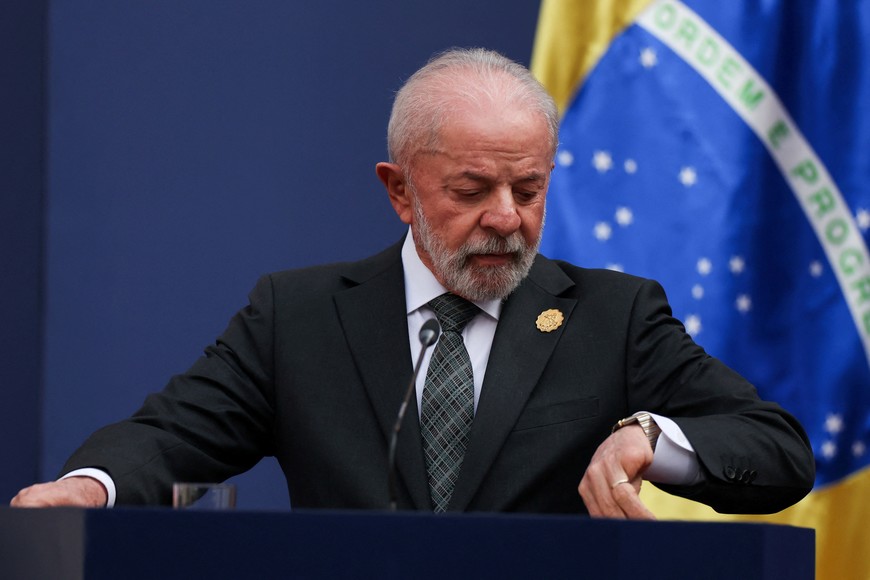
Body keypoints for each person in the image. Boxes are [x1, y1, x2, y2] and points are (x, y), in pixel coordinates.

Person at [11, 48, 815, 518]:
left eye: (529, 189)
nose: (506, 218)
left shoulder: (614, 316)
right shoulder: (298, 318)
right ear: (399, 190)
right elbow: (168, 439)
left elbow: (778, 450)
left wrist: (653, 438)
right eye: (472, 191)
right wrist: (90, 488)